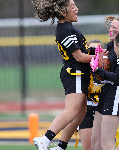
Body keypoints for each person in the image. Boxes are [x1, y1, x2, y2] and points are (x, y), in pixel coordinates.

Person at [32, 0, 96, 150]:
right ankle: (45, 139)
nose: (77, 9)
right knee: (72, 111)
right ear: (63, 12)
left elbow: (83, 53)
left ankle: (61, 146)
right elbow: (79, 57)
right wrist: (100, 59)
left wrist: (96, 54)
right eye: (72, 7)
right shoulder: (65, 29)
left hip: (79, 73)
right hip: (76, 73)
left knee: (80, 113)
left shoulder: (67, 28)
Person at [91, 16, 119, 150]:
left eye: (115, 28)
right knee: (95, 143)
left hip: (116, 92)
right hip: (105, 91)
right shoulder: (110, 46)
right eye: (110, 27)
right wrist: (100, 59)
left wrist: (99, 70)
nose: (111, 29)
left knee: (106, 144)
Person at [77, 39, 105, 150]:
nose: (94, 52)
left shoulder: (108, 67)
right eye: (91, 49)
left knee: (103, 146)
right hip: (86, 110)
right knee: (88, 147)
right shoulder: (82, 68)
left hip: (103, 110)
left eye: (97, 50)